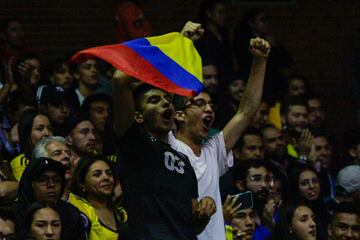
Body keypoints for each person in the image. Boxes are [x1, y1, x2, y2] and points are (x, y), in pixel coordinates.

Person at [112, 24, 216, 239]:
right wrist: (179, 42)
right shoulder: (133, 141)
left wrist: (204, 211)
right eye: (154, 100)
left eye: (167, 100)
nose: (165, 104)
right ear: (138, 116)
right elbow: (119, 80)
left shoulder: (183, 160)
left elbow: (191, 225)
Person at [171, 37, 269, 240]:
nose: (208, 109)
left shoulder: (212, 151)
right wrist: (182, 43)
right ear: (179, 114)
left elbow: (246, 112)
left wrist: (259, 62)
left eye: (211, 106)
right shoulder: (168, 147)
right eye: (199, 104)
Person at [12, 157, 87, 240]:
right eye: (42, 180)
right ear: (30, 184)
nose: (51, 185)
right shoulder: (13, 214)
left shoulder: (71, 213)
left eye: (57, 180)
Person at [71, 156, 127, 240]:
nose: (106, 178)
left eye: (109, 173)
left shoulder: (122, 214)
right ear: (82, 184)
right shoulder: (78, 212)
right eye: (97, 174)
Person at [10, 109, 53, 181]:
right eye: (40, 129)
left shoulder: (59, 156)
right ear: (26, 133)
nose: (47, 133)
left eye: (49, 128)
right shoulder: (20, 162)